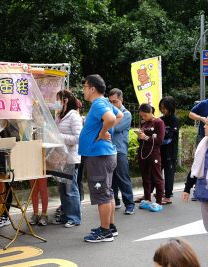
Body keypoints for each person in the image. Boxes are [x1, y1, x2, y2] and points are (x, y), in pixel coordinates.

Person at [79, 74, 123, 243]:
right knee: (107, 191)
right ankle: (110, 227)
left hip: (99, 155)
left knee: (102, 194)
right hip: (105, 154)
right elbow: (119, 116)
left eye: (84, 87)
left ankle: (105, 232)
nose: (83, 90)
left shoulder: (98, 103)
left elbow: (112, 118)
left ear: (92, 88)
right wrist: (105, 130)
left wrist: (103, 132)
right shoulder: (104, 102)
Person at [183, 109, 208, 267]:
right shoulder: (204, 143)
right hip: (204, 193)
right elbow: (195, 167)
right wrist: (187, 188)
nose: (204, 126)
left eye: (207, 124)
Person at [51, 89, 82, 228]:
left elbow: (77, 138)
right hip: (60, 158)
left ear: (65, 101)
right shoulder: (59, 116)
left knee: (70, 189)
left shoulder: (73, 115)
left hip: (70, 158)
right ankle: (65, 215)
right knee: (62, 189)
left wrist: (58, 136)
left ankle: (74, 218)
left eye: (58, 100)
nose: (56, 103)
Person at [107, 88, 135, 215]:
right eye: (110, 102)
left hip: (119, 150)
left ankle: (129, 204)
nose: (113, 104)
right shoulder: (109, 113)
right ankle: (116, 201)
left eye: (115, 102)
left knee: (123, 177)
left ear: (122, 100)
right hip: (108, 149)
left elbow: (114, 128)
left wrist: (105, 123)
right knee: (111, 179)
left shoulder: (126, 114)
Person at [136, 104, 165, 212]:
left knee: (157, 177)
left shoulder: (159, 122)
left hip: (154, 153)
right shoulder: (144, 123)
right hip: (143, 152)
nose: (143, 118)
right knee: (145, 177)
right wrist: (140, 136)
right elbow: (141, 139)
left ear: (150, 112)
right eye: (141, 116)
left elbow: (160, 141)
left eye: (144, 115)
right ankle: (147, 199)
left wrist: (146, 137)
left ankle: (158, 202)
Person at [159, 96, 179, 205]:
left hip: (170, 152)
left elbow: (169, 137)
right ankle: (158, 192)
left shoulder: (174, 120)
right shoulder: (161, 119)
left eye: (165, 108)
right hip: (160, 151)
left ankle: (168, 196)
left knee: (169, 174)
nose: (163, 110)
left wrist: (160, 137)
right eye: (161, 108)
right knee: (156, 173)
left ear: (171, 107)